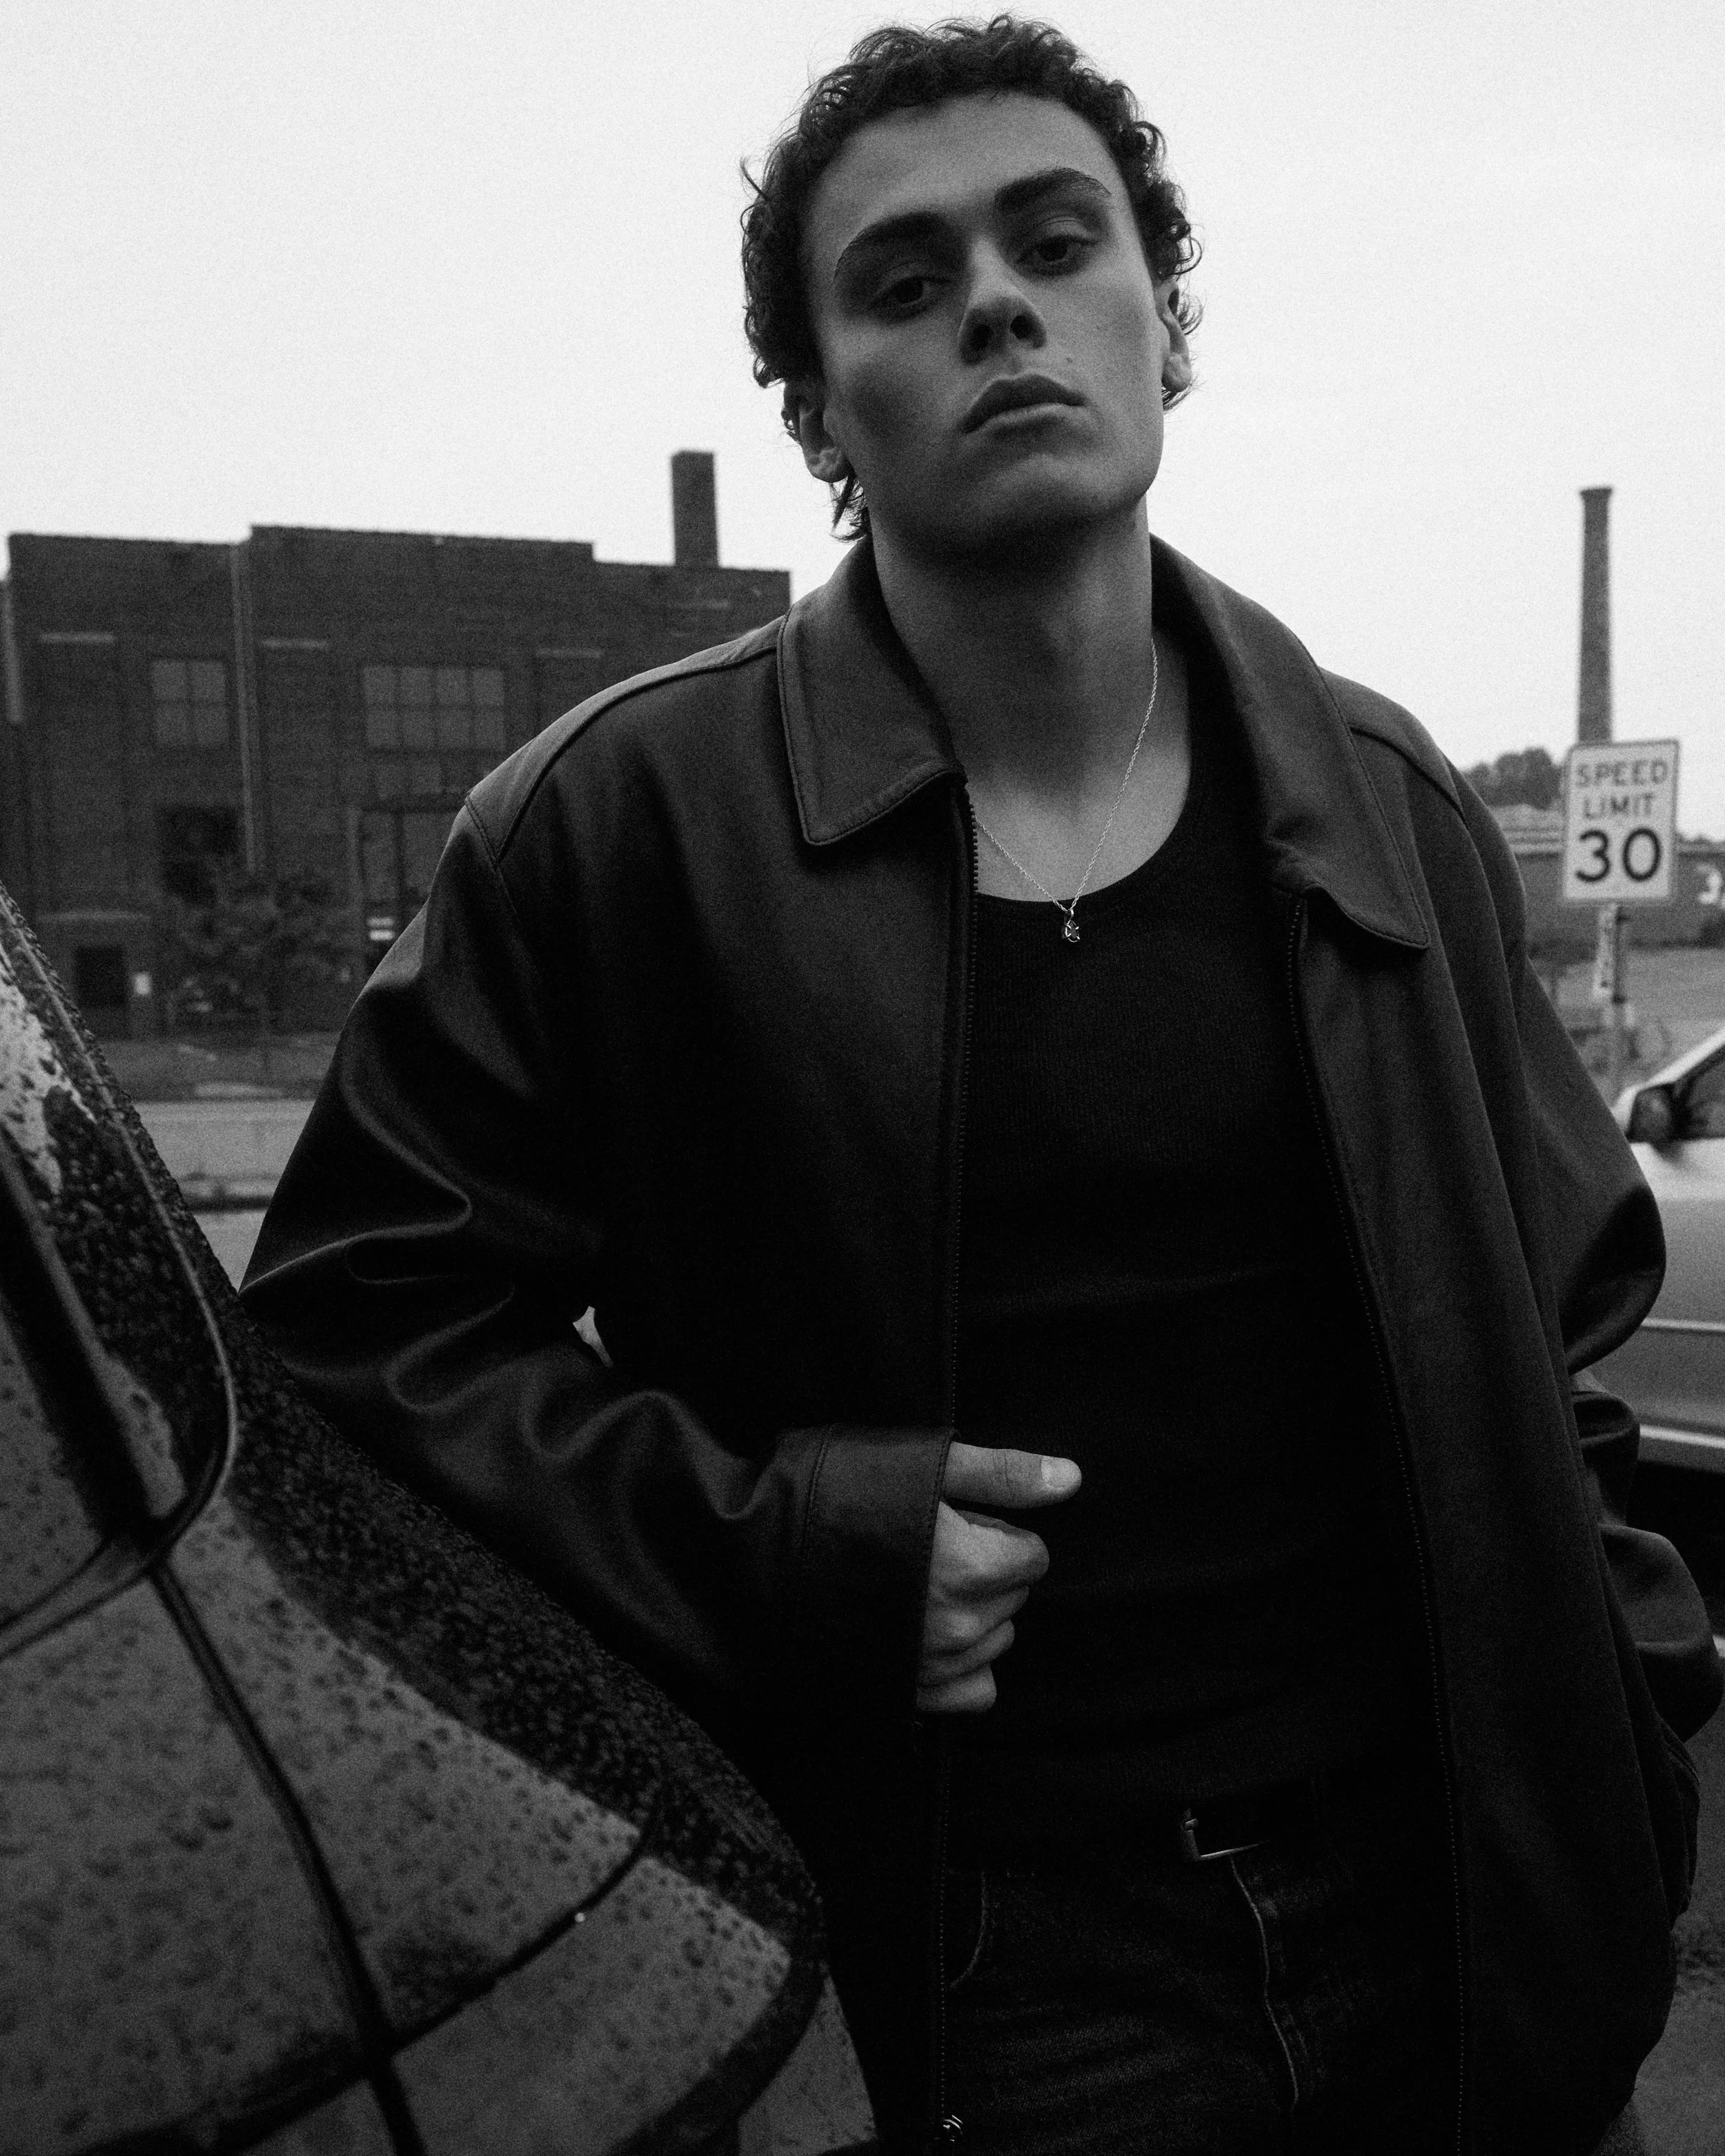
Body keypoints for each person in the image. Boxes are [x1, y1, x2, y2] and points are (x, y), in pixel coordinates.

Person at [242, 17, 1722, 2153]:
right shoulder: (620, 828)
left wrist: (1623, 1738)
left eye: (1056, 240)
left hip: (1463, 1920)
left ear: (1159, 327)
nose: (998, 305)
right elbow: (349, 1337)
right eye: (905, 281)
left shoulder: (1378, 800)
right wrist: (783, 1549)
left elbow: (1558, 1343)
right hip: (986, 1959)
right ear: (820, 407)